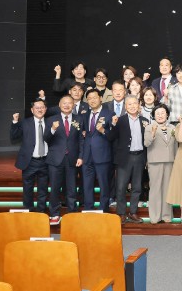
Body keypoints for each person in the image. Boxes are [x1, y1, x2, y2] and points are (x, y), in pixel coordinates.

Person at [107, 95, 146, 224]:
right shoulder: (120, 120)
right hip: (125, 158)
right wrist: (113, 124)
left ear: (139, 105)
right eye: (129, 104)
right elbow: (110, 137)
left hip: (139, 156)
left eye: (135, 103)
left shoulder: (144, 121)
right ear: (125, 106)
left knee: (137, 187)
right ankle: (121, 213)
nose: (132, 106)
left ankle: (133, 212)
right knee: (121, 187)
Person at [44, 95, 82, 224]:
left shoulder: (79, 119)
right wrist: (53, 129)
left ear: (73, 105)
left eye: (69, 103)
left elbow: (81, 140)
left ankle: (72, 213)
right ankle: (54, 214)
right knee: (55, 188)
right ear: (59, 105)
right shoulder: (51, 119)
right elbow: (46, 138)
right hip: (55, 159)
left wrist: (80, 156)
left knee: (72, 189)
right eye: (64, 103)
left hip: (72, 159)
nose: (66, 105)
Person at [11, 98, 50, 213]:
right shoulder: (25, 122)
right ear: (32, 110)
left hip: (46, 161)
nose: (40, 110)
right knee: (28, 189)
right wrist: (15, 122)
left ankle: (41, 212)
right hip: (30, 161)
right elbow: (14, 136)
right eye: (37, 108)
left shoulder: (51, 122)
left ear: (45, 109)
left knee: (43, 189)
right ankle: (28, 211)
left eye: (42, 107)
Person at [79, 89, 115, 212]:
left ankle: (103, 209)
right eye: (89, 98)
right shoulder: (84, 115)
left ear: (100, 98)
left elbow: (113, 135)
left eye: (94, 97)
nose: (92, 100)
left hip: (102, 155)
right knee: (87, 184)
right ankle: (88, 208)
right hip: (87, 156)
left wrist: (103, 131)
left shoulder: (109, 114)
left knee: (104, 185)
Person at [144, 104, 176, 224]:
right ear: (153, 115)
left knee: (167, 189)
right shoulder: (149, 127)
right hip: (155, 161)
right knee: (155, 189)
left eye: (163, 113)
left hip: (170, 161)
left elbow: (175, 145)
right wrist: (152, 133)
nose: (160, 115)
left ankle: (166, 215)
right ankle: (155, 216)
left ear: (167, 115)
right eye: (157, 113)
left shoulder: (172, 127)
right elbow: (146, 143)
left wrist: (176, 160)